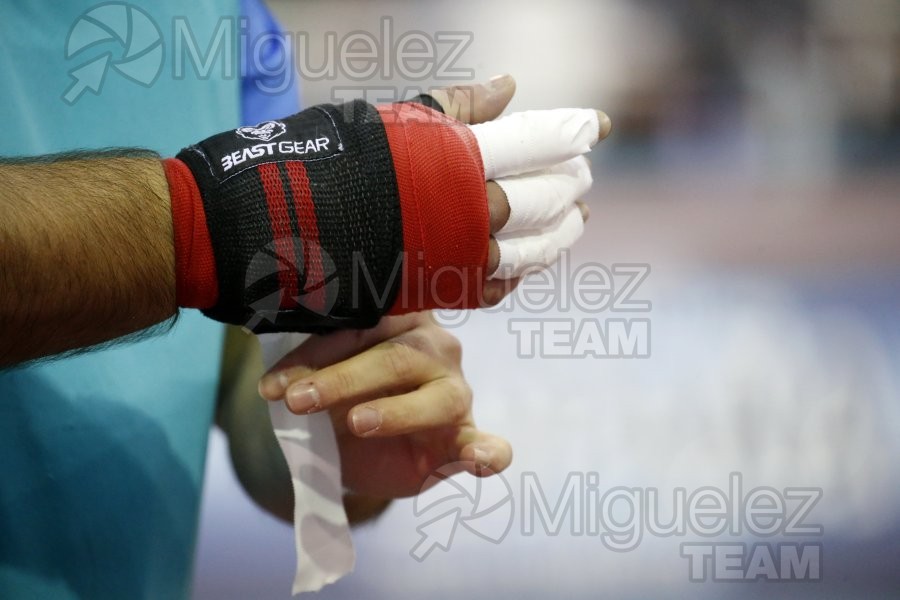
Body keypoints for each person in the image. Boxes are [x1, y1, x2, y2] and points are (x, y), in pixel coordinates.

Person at [0, 0, 610, 598]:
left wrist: (334, 415)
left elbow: (243, 354)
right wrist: (210, 221)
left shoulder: (231, 20)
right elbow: (220, 235)